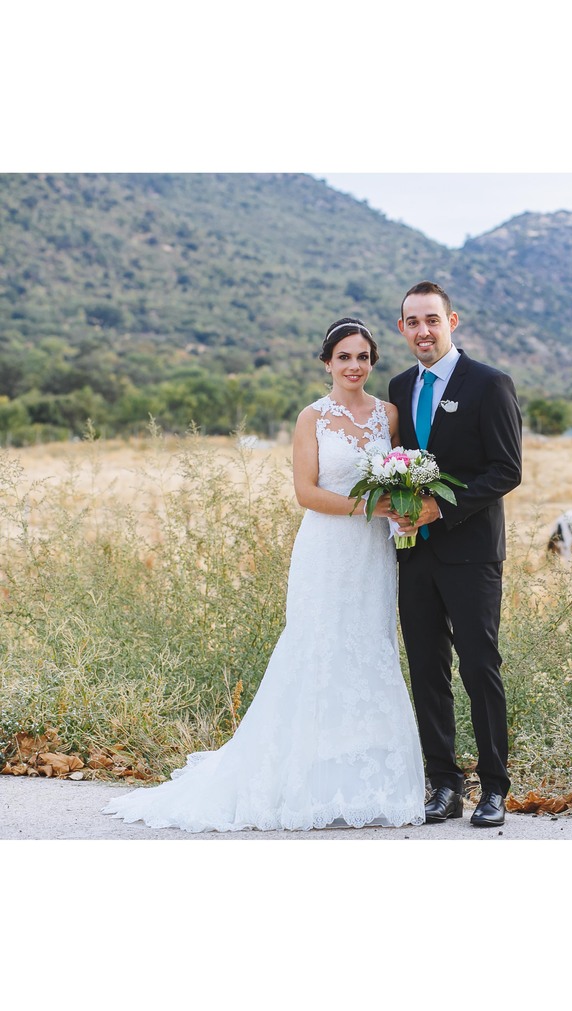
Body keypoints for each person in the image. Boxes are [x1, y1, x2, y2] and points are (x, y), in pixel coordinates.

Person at [103, 318, 426, 831]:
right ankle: (302, 780)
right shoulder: (311, 418)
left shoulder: (388, 415)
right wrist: (371, 505)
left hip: (372, 554)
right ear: (327, 363)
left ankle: (362, 782)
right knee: (318, 647)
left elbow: (403, 470)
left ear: (372, 362)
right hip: (328, 549)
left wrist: (400, 501)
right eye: (344, 357)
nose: (354, 366)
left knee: (369, 646)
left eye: (363, 356)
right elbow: (307, 493)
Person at [388, 281, 522, 828]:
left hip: (470, 553)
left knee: (480, 667)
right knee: (426, 669)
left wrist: (440, 509)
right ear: (402, 329)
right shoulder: (398, 388)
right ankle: (443, 783)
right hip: (413, 554)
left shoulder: (490, 384)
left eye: (432, 320)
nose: (423, 331)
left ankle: (495, 787)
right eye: (412, 322)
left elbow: (506, 470)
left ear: (453, 321)